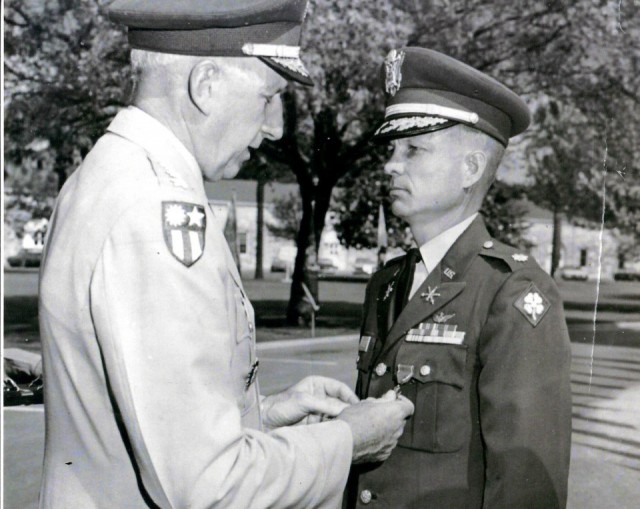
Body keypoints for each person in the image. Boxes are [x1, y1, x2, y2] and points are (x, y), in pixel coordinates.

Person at [37, 2, 413, 507]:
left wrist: (264, 415)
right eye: (268, 97)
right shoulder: (155, 212)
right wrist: (349, 440)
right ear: (206, 84)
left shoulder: (110, 176)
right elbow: (211, 487)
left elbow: (148, 416)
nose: (276, 128)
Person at [345, 47, 572, 508]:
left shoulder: (511, 292)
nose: (390, 165)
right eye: (392, 149)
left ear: (470, 168)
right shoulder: (388, 282)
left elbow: (527, 484)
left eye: (413, 149)